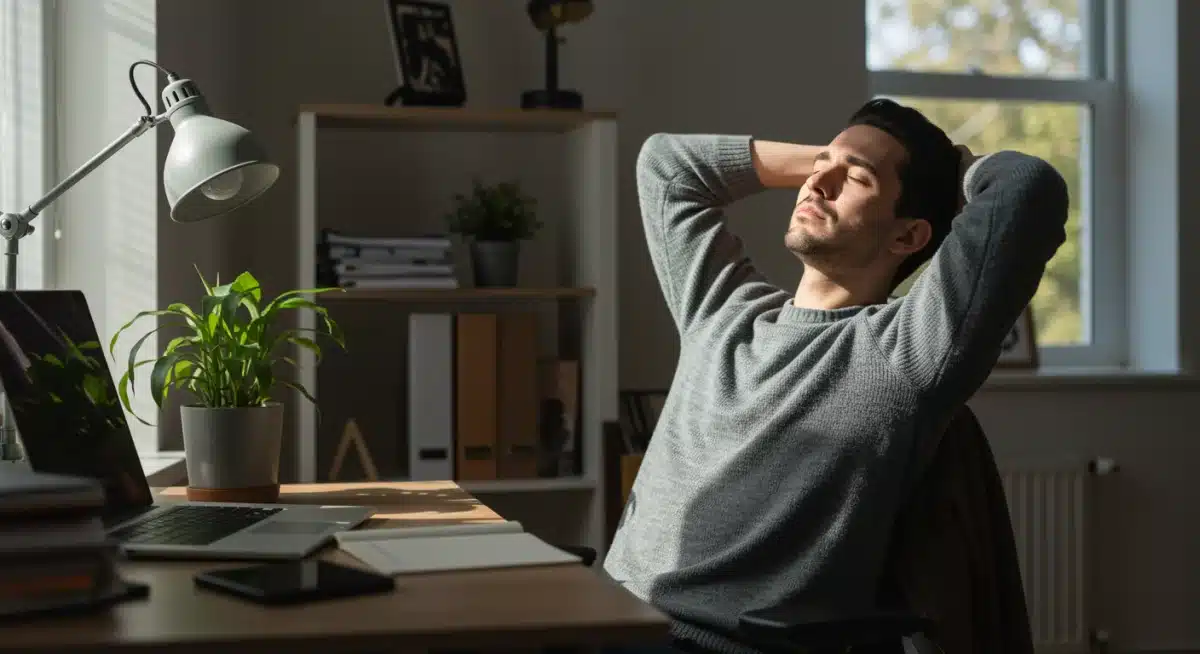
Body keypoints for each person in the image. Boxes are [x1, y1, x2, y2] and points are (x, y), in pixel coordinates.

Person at [602, 98, 1069, 653]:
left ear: (907, 237)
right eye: (823, 167)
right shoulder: (720, 312)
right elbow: (668, 163)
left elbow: (1029, 188)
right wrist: (836, 158)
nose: (819, 183)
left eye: (858, 181)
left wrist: (950, 167)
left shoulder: (908, 353)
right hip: (604, 616)